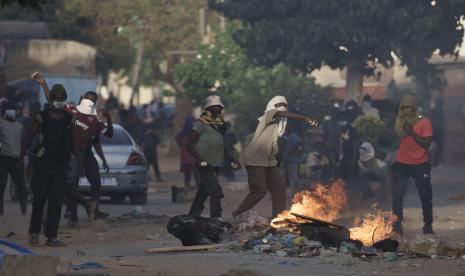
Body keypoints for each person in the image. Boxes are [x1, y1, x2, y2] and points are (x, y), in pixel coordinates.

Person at [32, 73, 113, 222]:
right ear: (82, 99)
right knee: (71, 185)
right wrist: (43, 84)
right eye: (88, 99)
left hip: (86, 153)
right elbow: (53, 100)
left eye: (92, 100)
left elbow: (99, 140)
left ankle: (94, 210)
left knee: (95, 181)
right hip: (73, 153)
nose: (89, 102)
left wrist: (109, 119)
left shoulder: (95, 119)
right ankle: (72, 213)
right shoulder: (71, 111)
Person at [232, 96, 318, 218]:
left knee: (279, 187)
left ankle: (278, 219)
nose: (282, 107)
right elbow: (280, 112)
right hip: (255, 158)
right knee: (259, 191)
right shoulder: (267, 116)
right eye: (278, 104)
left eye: (284, 104)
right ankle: (238, 213)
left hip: (269, 160)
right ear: (272, 106)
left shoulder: (280, 125)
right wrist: (304, 117)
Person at [21, 84, 73, 247]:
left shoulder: (68, 118)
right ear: (51, 100)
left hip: (60, 165)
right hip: (42, 164)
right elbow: (29, 136)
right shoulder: (41, 117)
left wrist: (77, 159)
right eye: (56, 98)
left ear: (64, 99)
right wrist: (22, 156)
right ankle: (34, 233)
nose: (58, 101)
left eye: (61, 98)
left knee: (56, 202)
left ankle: (51, 237)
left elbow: (72, 140)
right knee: (39, 199)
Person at [186, 95, 241, 219]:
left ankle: (192, 215)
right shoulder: (201, 123)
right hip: (205, 163)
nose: (218, 109)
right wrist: (199, 159)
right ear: (208, 109)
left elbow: (222, 148)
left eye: (220, 107)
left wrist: (234, 160)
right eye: (215, 107)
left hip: (216, 163)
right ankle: (216, 218)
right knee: (215, 192)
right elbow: (189, 144)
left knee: (203, 191)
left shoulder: (220, 126)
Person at [392, 95, 434, 235]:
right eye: (403, 107)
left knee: (425, 196)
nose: (406, 110)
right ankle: (397, 226)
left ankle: (428, 226)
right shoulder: (401, 122)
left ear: (415, 108)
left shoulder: (424, 122)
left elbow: (426, 144)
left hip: (420, 163)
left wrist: (411, 132)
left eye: (409, 107)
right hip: (402, 163)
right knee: (397, 195)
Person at [0, 102, 27, 215]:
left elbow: (22, 142)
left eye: (13, 109)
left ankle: (24, 209)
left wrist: (21, 157)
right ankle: (0, 210)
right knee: (1, 185)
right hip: (3, 158)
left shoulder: (19, 126)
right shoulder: (0, 124)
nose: (12, 111)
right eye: (9, 109)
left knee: (21, 185)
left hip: (16, 159)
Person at [175, 115, 198, 187]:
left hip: (186, 154)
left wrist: (182, 146)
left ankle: (187, 184)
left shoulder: (183, 133)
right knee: (196, 170)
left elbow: (177, 139)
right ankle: (198, 184)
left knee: (188, 171)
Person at [282, 125, 303, 191]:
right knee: (291, 177)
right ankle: (293, 192)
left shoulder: (292, 137)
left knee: (292, 177)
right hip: (294, 160)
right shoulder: (292, 137)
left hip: (291, 160)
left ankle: (294, 193)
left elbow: (288, 150)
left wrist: (284, 160)